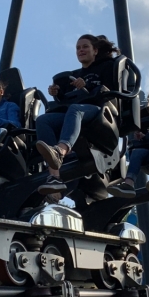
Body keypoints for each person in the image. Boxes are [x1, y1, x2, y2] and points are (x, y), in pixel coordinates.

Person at [35, 34, 121, 195]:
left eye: (85, 47)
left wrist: (87, 84)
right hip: (77, 111)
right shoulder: (74, 74)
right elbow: (65, 100)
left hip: (99, 110)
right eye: (78, 48)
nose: (81, 50)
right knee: (43, 120)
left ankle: (61, 150)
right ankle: (54, 176)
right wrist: (56, 93)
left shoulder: (107, 66)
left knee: (75, 109)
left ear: (95, 50)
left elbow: (110, 90)